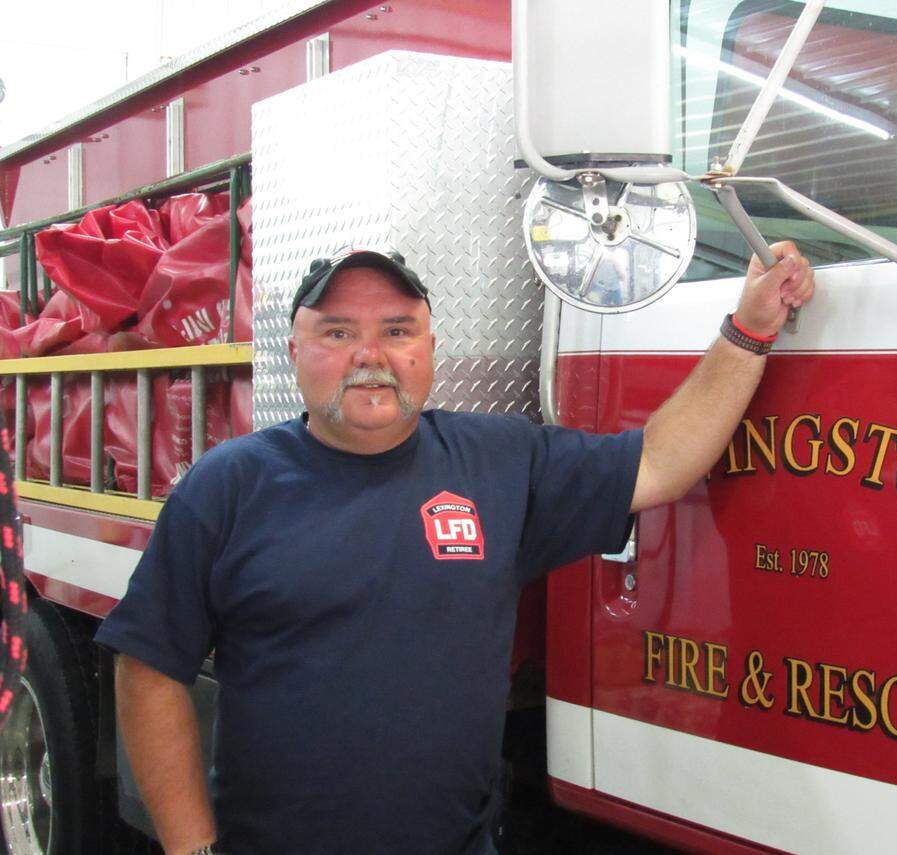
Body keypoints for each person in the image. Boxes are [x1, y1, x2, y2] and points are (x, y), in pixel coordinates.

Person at [95, 243, 814, 855]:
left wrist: (748, 329)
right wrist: (193, 847)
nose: (370, 356)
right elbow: (151, 663)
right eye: (339, 333)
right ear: (295, 350)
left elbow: (658, 462)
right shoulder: (228, 486)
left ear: (429, 348)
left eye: (398, 330)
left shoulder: (500, 462)